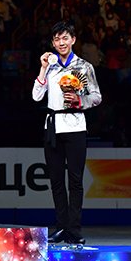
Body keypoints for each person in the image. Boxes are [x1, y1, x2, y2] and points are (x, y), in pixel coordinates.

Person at [32, 21, 102, 244]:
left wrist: (80, 101)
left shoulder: (84, 67)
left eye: (65, 38)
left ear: (73, 40)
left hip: (75, 126)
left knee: (75, 181)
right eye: (57, 39)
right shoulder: (50, 67)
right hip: (52, 126)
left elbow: (97, 96)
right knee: (56, 181)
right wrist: (43, 68)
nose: (61, 43)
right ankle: (61, 227)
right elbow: (36, 96)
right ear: (52, 43)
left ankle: (75, 229)